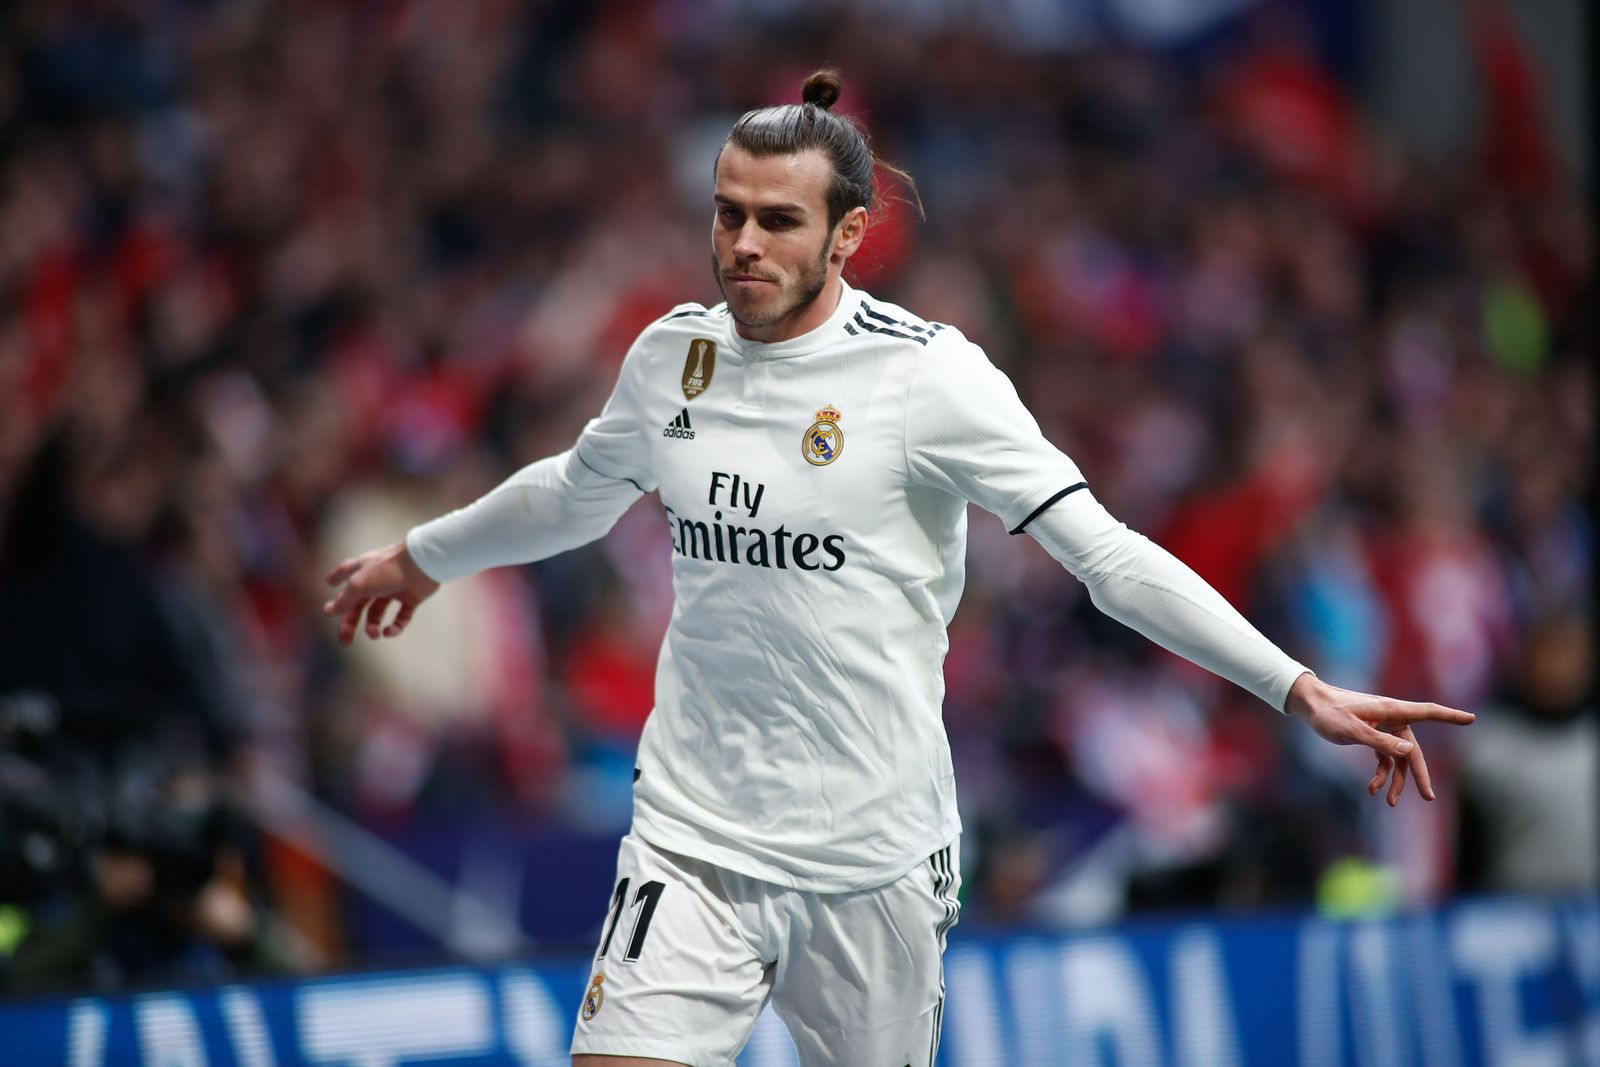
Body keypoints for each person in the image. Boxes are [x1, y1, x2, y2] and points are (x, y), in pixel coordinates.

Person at [323, 70, 1475, 1067]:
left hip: (871, 859)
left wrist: (1296, 686)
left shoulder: (931, 380)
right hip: (693, 834)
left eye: (778, 220)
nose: (742, 245)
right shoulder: (671, 355)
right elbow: (573, 490)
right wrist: (425, 557)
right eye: (726, 215)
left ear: (849, 232)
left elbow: (1108, 558)